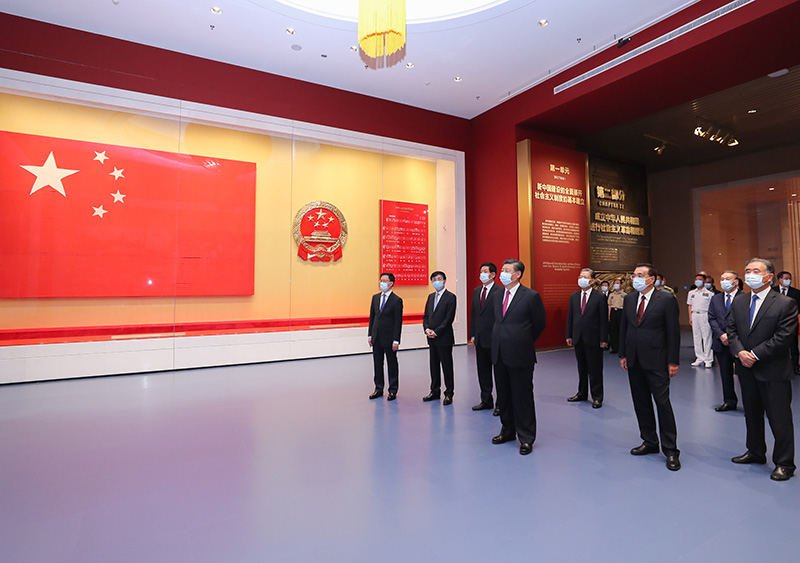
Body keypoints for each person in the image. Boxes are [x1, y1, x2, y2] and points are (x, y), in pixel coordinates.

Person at [727, 258, 798, 481]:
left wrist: (755, 355)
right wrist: (740, 352)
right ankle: (755, 452)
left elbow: (784, 337)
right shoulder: (740, 301)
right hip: (746, 369)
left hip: (773, 370)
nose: (750, 274)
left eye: (755, 271)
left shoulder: (785, 303)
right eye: (747, 270)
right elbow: (731, 330)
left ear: (769, 276)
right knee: (752, 414)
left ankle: (784, 463)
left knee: (779, 419)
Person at [619, 263, 681, 471]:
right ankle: (649, 441)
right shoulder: (629, 299)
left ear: (651, 279)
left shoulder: (666, 299)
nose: (635, 278)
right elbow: (625, 328)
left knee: (662, 404)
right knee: (641, 402)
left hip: (657, 360)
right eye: (634, 275)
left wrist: (673, 361)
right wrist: (623, 354)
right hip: (634, 359)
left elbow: (673, 332)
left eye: (639, 275)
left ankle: (671, 450)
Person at [490, 259, 546, 456]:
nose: (503, 273)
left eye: (507, 270)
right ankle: (507, 431)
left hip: (520, 354)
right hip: (499, 353)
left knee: (522, 397)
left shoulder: (531, 296)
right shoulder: (497, 295)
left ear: (517, 274)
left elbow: (539, 324)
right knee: (503, 396)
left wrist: (522, 340)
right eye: (502, 270)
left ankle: (526, 437)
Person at [566, 268, 609, 408]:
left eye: (585, 277)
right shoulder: (574, 296)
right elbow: (571, 317)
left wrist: (604, 339)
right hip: (578, 337)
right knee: (582, 367)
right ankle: (582, 393)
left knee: (595, 369)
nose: (581, 279)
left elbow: (603, 320)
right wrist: (569, 335)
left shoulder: (599, 297)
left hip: (594, 338)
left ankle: (597, 397)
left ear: (592, 280)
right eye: (580, 277)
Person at [470, 262, 503, 414]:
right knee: (483, 371)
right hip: (480, 338)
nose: (482, 274)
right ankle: (486, 400)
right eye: (481, 271)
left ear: (493, 274)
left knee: (499, 373)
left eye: (485, 271)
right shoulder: (477, 291)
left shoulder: (500, 291)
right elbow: (474, 314)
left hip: (495, 338)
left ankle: (500, 404)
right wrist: (472, 334)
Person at [707, 270, 740, 412]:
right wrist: (721, 335)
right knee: (725, 375)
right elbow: (711, 318)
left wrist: (731, 336)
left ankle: (751, 404)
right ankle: (729, 401)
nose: (724, 281)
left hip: (739, 343)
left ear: (736, 282)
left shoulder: (744, 298)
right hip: (721, 342)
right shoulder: (715, 298)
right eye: (722, 279)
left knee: (744, 376)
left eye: (727, 279)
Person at [422, 271, 457, 405]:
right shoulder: (430, 297)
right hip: (431, 338)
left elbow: (449, 318)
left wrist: (436, 331)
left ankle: (449, 393)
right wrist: (427, 329)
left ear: (444, 281)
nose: (436, 281)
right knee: (434, 366)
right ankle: (434, 391)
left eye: (439, 279)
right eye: (434, 279)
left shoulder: (451, 297)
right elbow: (426, 316)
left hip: (444, 338)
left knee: (447, 367)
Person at [368, 272, 403, 401]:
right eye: (380, 280)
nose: (381, 283)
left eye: (384, 281)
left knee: (392, 364)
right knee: (377, 364)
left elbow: (398, 322)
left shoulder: (397, 300)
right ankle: (378, 389)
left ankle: (393, 390)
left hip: (389, 338)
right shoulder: (375, 298)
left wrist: (396, 340)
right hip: (377, 337)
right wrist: (370, 335)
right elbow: (372, 318)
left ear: (391, 283)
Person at [773, 271, 800, 374]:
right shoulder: (773, 291)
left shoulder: (796, 293)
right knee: (776, 343)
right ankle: (777, 366)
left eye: (789, 278)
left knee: (793, 344)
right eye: (786, 278)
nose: (788, 280)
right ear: (780, 280)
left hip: (791, 322)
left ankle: (795, 366)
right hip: (775, 322)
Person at [687, 272, 714, 368]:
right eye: (696, 280)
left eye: (700, 280)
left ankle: (708, 359)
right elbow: (689, 306)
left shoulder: (710, 294)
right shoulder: (691, 293)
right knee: (696, 337)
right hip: (695, 315)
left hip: (705, 314)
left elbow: (712, 307)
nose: (698, 281)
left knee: (707, 337)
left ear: (704, 281)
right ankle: (699, 357)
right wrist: (690, 317)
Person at [607, 278, 625, 354]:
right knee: (613, 331)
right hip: (613, 312)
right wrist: (609, 315)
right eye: (615, 283)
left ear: (621, 285)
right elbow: (609, 305)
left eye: (618, 283)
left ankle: (622, 348)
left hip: (621, 312)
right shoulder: (611, 295)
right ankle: (614, 347)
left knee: (621, 331)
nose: (616, 285)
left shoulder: (624, 295)